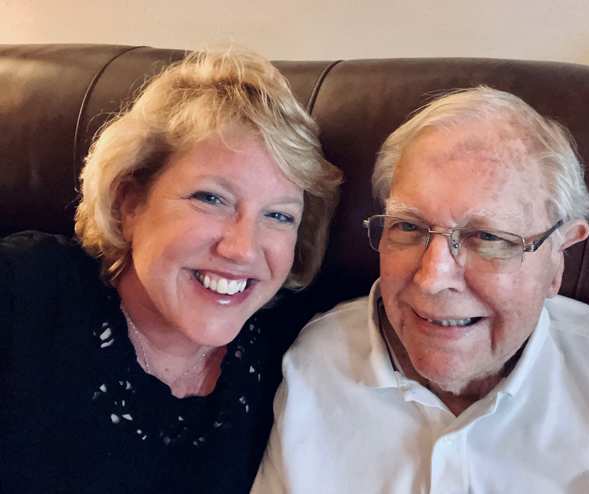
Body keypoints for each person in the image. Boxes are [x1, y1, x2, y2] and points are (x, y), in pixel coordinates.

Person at [252, 87, 589, 493]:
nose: (433, 277)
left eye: (488, 237)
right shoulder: (312, 364)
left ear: (558, 257)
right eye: (408, 226)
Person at [0, 49, 341, 493]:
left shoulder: (297, 355)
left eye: (279, 216)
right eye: (211, 198)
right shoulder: (25, 289)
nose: (242, 250)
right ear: (129, 204)